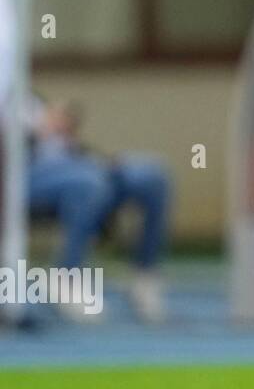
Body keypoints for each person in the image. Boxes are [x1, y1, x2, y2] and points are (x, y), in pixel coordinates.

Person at [26, 95, 171, 322]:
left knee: (152, 175)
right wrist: (34, 131)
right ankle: (66, 275)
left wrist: (95, 158)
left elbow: (65, 139)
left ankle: (144, 276)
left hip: (79, 167)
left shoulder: (29, 97)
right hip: (26, 179)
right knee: (88, 182)